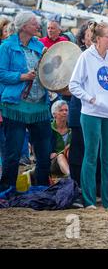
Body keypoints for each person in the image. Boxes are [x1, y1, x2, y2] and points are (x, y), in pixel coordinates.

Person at [69, 21, 108, 210]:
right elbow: (73, 85)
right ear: (99, 38)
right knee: (91, 155)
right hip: (91, 113)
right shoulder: (86, 57)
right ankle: (89, 200)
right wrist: (90, 99)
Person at [0, 12, 52, 197]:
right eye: (34, 23)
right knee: (13, 153)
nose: (38, 26)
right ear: (23, 26)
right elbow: (1, 73)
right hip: (15, 106)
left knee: (44, 151)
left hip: (39, 106)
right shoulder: (6, 47)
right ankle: (7, 189)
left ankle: (42, 187)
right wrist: (22, 76)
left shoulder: (40, 46)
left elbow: (49, 71)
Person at [50, 100, 71, 179]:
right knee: (60, 156)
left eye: (66, 110)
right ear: (54, 114)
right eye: (61, 110)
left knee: (69, 150)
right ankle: (71, 177)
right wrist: (49, 153)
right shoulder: (49, 128)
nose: (65, 112)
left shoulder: (72, 128)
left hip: (71, 158)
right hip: (54, 162)